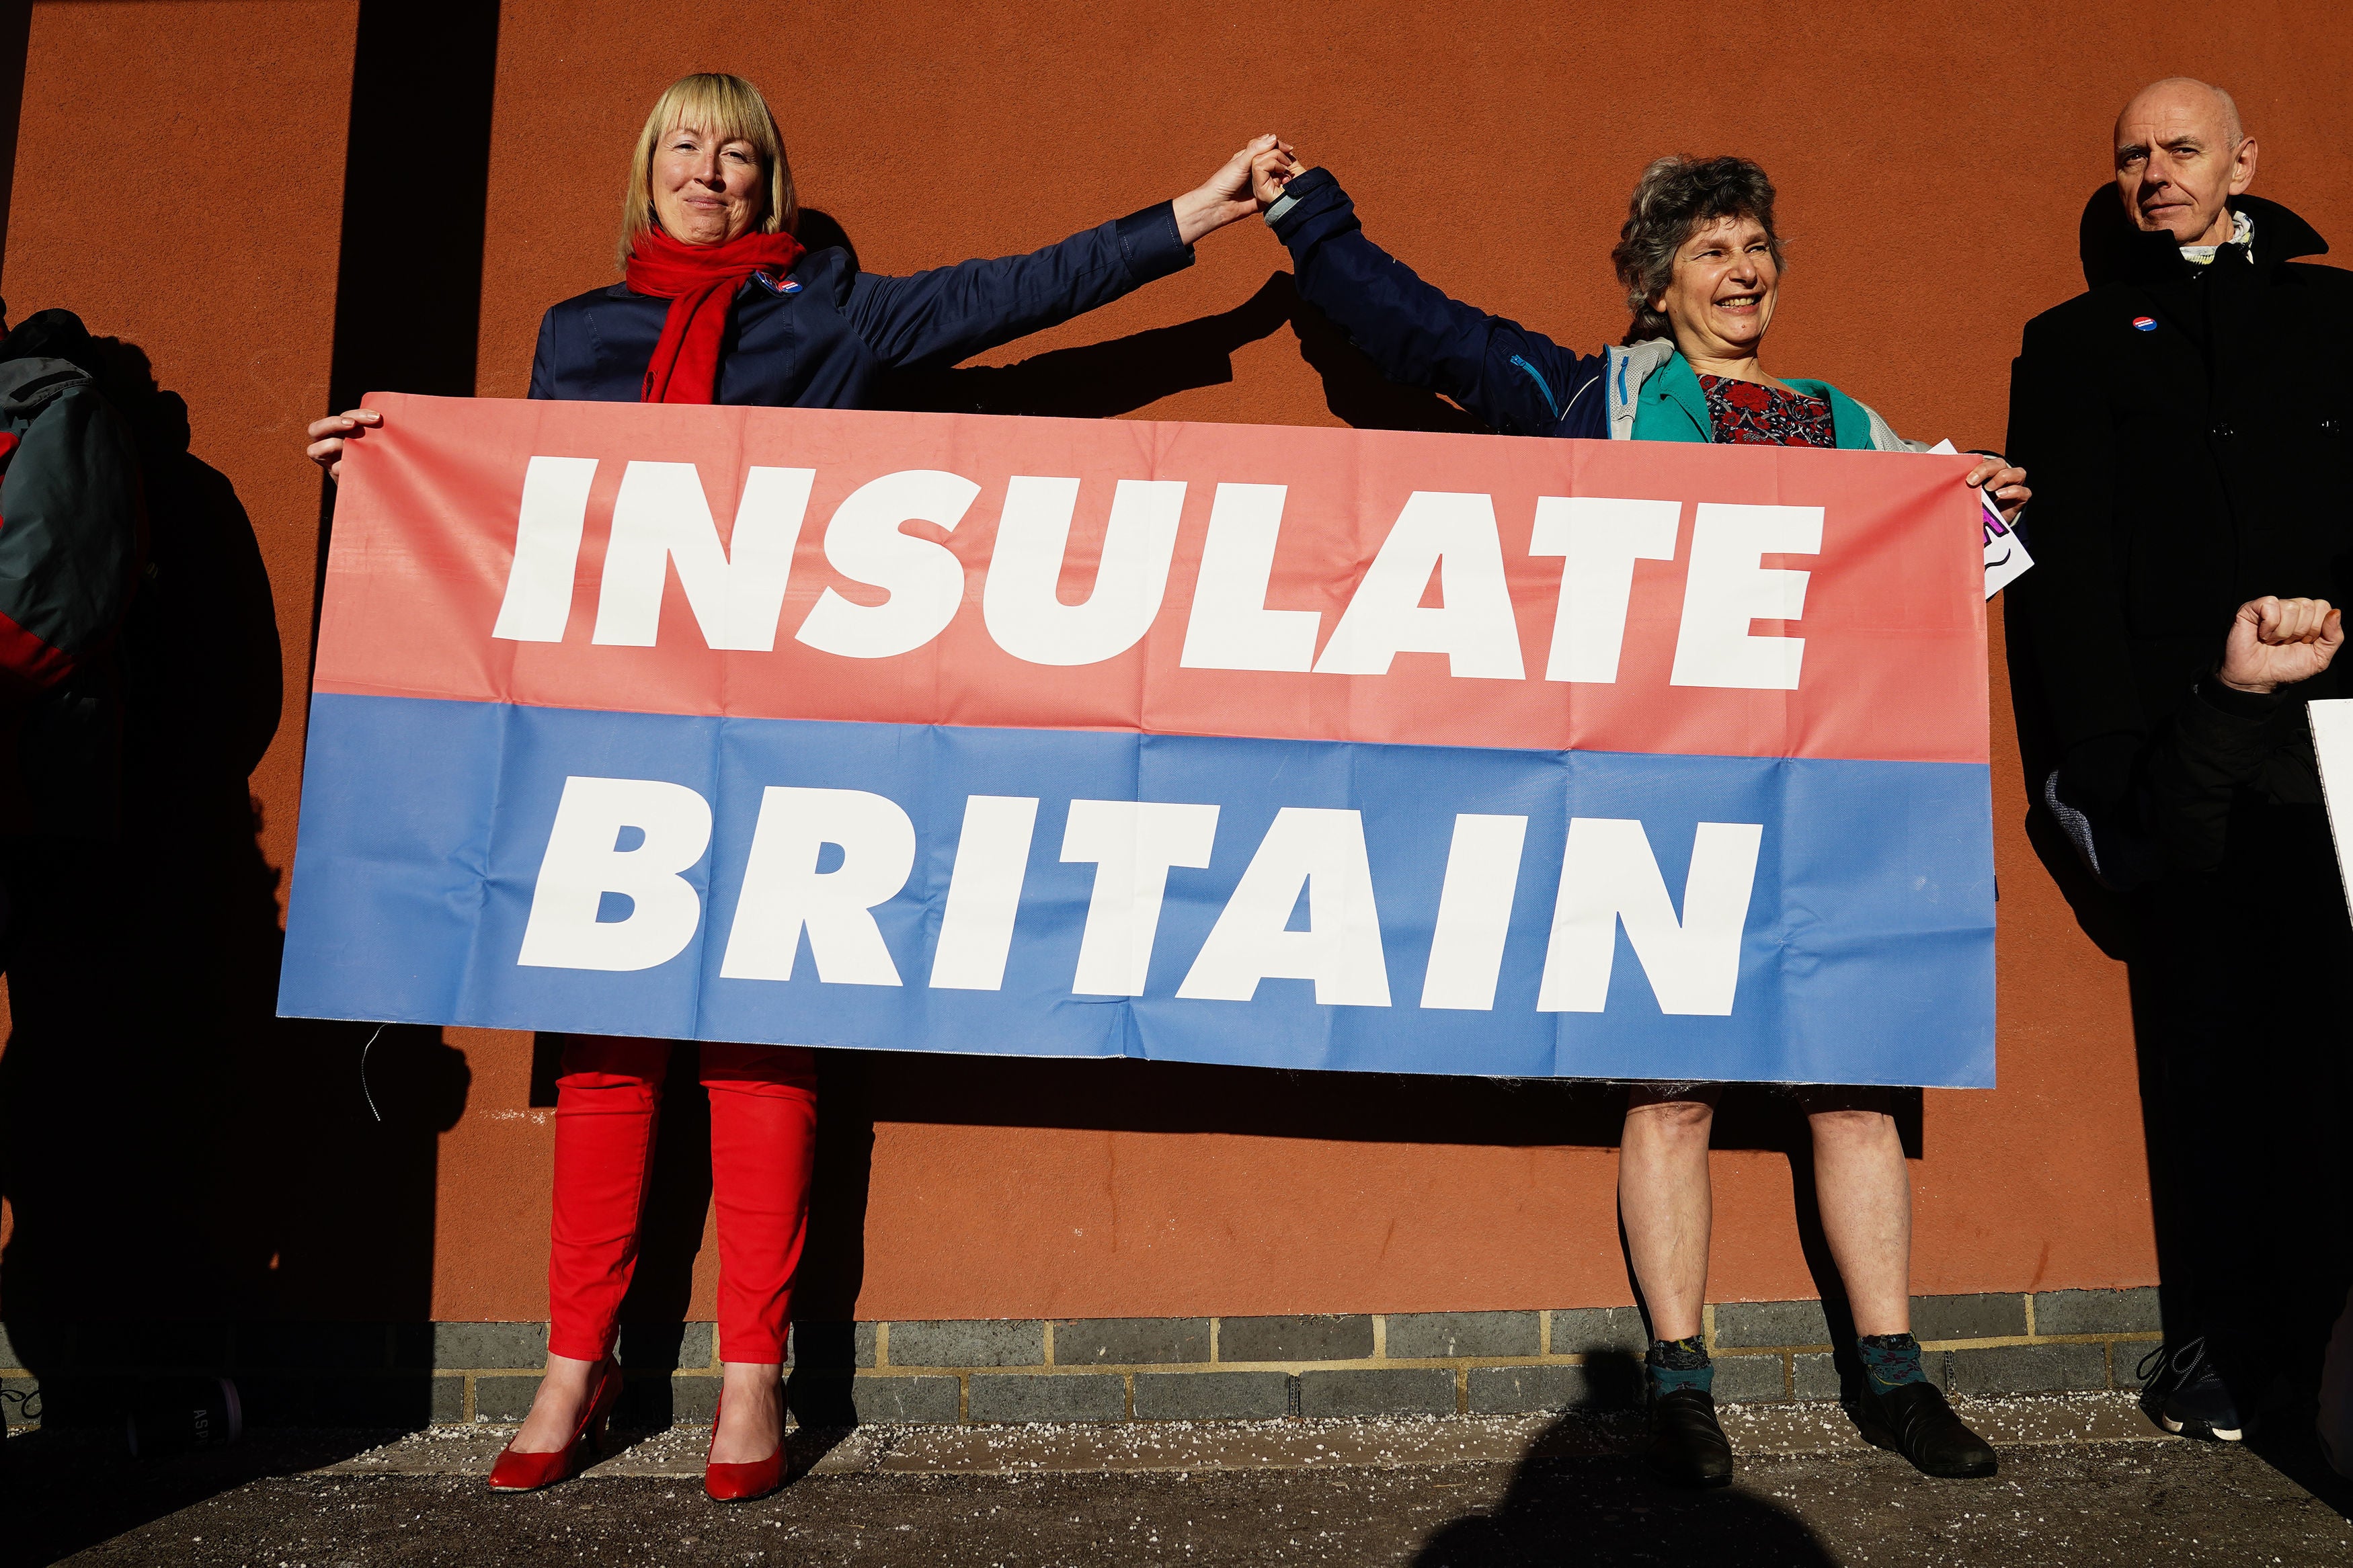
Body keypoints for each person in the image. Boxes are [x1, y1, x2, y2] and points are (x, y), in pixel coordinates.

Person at [307, 73, 1280, 1501]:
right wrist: (391, 475)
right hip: (614, 736)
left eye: (741, 153)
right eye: (687, 149)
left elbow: (1023, 293)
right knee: (607, 1051)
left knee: (763, 1052)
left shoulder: (832, 315)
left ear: (772, 178)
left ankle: (749, 1372)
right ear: (647, 172)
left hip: (784, 744)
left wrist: (1197, 213)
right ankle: (579, 1359)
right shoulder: (579, 333)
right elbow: (520, 507)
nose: (713, 173)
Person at [1246, 144, 2025, 1485]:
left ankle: (1895, 1379)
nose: (1743, 270)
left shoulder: (1844, 422)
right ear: (1657, 277)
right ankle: (1681, 1384)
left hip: (1824, 798)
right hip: (1661, 798)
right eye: (1713, 249)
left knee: (1850, 1086)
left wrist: (1974, 507)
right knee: (1672, 1093)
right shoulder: (1594, 399)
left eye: (1755, 247)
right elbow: (1423, 331)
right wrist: (1309, 219)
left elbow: (1932, 594)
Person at [2007, 77, 2353, 1444]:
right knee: (2204, 1040)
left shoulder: (2339, 316)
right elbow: (2065, 572)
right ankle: (2216, 1338)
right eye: (2133, 155)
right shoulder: (2075, 341)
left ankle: (2330, 1341)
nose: (2155, 172)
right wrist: (2098, 757)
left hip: (2339, 725)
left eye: (2181, 149)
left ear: (2242, 164)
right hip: (2186, 742)